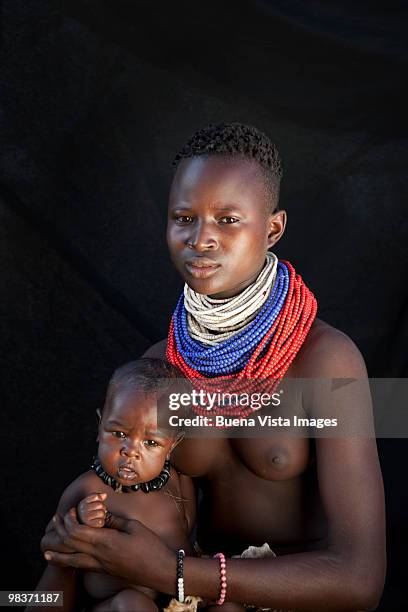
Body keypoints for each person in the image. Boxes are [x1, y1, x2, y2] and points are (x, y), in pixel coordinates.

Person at [42, 123, 386, 611]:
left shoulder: (328, 361)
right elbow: (84, 564)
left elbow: (361, 582)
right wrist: (74, 545)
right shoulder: (157, 368)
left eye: (227, 220)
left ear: (272, 229)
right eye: (184, 217)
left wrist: (175, 573)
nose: (200, 239)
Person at [33, 358, 197, 612]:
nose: (130, 452)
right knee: (133, 604)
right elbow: (53, 552)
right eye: (119, 434)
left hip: (176, 603)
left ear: (171, 447)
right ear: (100, 427)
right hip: (116, 605)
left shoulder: (178, 481)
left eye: (151, 443)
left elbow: (188, 534)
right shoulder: (87, 489)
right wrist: (81, 522)